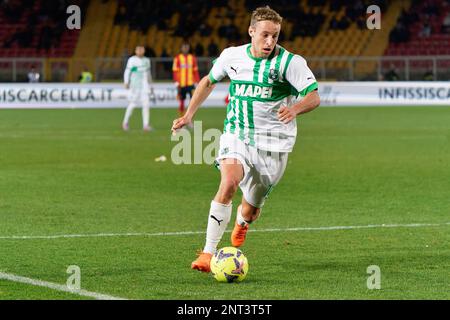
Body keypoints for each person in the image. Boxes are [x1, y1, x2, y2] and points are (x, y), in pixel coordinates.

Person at [171, 6, 320, 272]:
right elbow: (207, 81)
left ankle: (242, 222)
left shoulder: (290, 63)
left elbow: (314, 95)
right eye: (264, 35)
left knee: (251, 209)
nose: (270, 41)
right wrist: (189, 115)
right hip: (237, 133)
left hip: (274, 145)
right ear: (251, 31)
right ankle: (207, 253)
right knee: (228, 182)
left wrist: (295, 108)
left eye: (275, 36)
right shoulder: (232, 56)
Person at [122, 45, 154, 132]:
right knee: (132, 104)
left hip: (145, 87)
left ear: (144, 50)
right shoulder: (132, 60)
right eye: (138, 49)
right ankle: (125, 122)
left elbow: (148, 73)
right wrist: (126, 82)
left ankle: (146, 125)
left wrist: (151, 85)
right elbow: (127, 71)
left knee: (146, 105)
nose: (140, 51)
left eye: (141, 49)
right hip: (134, 86)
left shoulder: (147, 60)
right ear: (135, 51)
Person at [172, 43, 200, 117]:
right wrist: (176, 81)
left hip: (191, 84)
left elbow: (195, 71)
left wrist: (197, 81)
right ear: (181, 48)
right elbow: (175, 71)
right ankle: (182, 119)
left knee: (193, 103)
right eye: (184, 47)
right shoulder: (177, 58)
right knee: (181, 103)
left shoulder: (192, 58)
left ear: (189, 48)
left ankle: (190, 120)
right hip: (181, 84)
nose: (185, 49)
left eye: (187, 47)